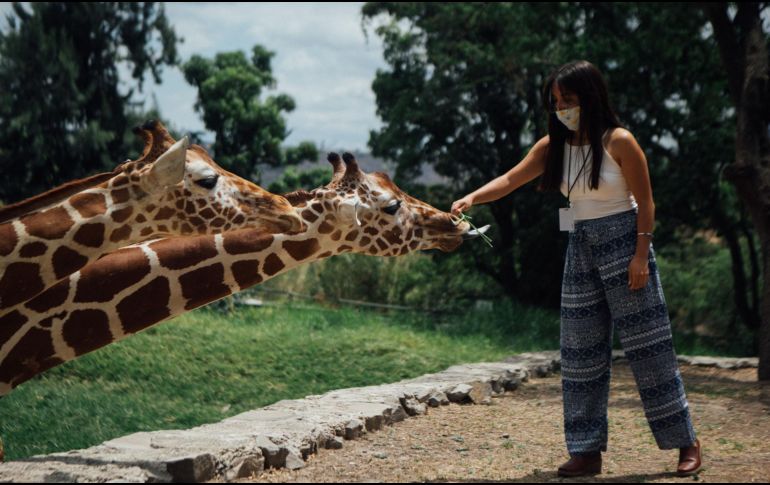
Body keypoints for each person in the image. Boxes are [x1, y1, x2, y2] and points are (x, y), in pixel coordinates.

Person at [451, 60, 702, 478]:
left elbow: (647, 202)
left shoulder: (619, 141)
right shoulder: (552, 148)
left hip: (626, 243)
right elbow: (510, 179)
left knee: (650, 349)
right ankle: (586, 451)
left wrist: (641, 255)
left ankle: (685, 441)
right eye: (555, 101)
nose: (562, 107)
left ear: (590, 96)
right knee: (580, 353)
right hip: (580, 247)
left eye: (568, 100)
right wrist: (471, 198)